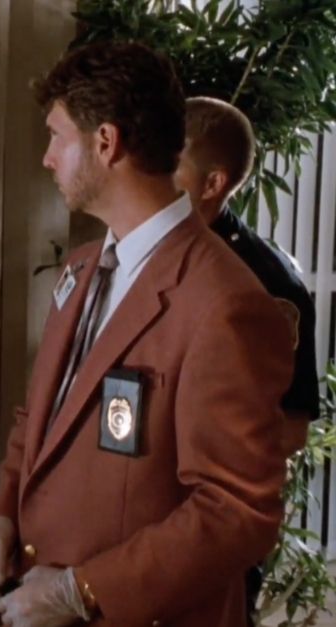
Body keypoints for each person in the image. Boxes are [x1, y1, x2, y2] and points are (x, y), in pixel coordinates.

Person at [0, 41, 295, 626]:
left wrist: (82, 591)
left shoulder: (226, 303)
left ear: (106, 142)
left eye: (56, 137)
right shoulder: (81, 270)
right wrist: (2, 513)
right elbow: (39, 420)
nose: (47, 158)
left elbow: (237, 511)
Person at [174, 94, 320, 625]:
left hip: (209, 528)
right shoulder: (141, 254)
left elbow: (289, 429)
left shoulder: (266, 284)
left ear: (212, 184)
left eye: (170, 165)